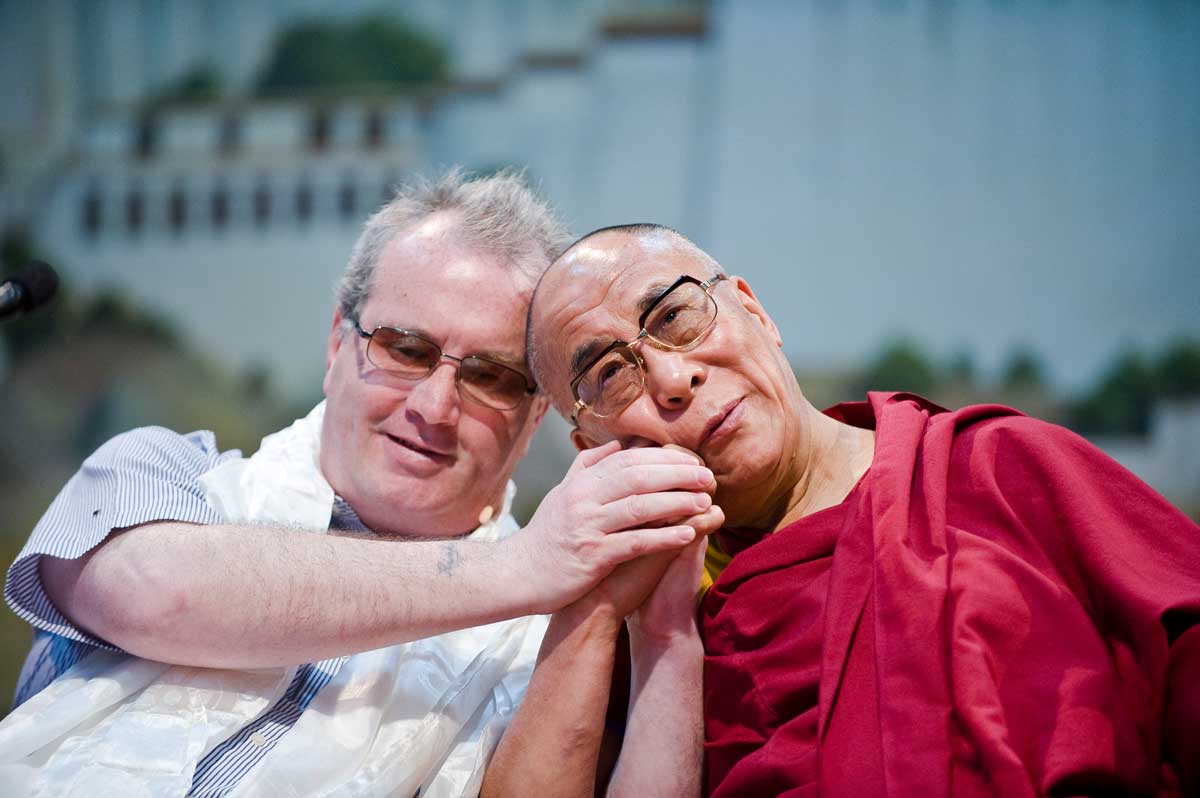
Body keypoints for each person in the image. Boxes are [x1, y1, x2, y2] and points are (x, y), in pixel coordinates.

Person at [0, 179, 722, 797]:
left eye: (492, 377)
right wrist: (525, 567)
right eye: (406, 350)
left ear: (536, 415)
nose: (435, 408)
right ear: (338, 344)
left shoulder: (543, 637)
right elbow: (159, 591)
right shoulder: (173, 473)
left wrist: (657, 629)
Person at [489, 222, 1200, 797]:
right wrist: (641, 624)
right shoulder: (651, 621)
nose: (674, 379)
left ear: (755, 311)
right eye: (612, 374)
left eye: (675, 317)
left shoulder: (1003, 470)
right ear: (594, 446)